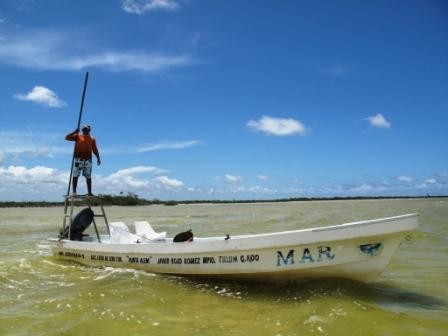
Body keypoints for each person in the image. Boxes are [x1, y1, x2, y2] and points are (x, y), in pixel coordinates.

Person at [65, 124, 101, 196]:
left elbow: (95, 149)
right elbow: (66, 138)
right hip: (78, 159)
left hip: (88, 160)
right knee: (75, 175)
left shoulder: (92, 139)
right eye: (84, 129)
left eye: (86, 129)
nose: (85, 130)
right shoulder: (78, 136)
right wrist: (74, 132)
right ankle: (74, 192)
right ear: (82, 130)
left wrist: (98, 157)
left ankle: (89, 192)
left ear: (89, 130)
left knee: (88, 176)